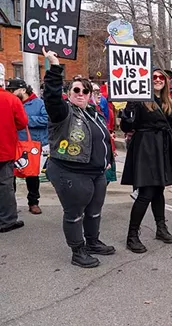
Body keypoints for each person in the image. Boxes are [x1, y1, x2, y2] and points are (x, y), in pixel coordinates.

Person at [43, 49, 115, 268]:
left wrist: (108, 158)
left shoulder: (94, 112)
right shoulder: (63, 112)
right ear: (69, 92)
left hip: (96, 172)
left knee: (94, 211)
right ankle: (77, 251)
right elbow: (52, 97)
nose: (81, 93)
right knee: (74, 214)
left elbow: (103, 138)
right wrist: (55, 66)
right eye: (76, 90)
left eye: (86, 90)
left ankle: (93, 242)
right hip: (70, 171)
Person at [121, 67, 172, 254]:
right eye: (154, 77)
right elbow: (126, 126)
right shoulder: (139, 101)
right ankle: (132, 235)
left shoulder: (168, 103)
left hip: (163, 150)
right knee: (146, 192)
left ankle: (161, 228)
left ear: (166, 81)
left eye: (161, 77)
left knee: (159, 190)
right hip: (146, 150)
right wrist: (129, 108)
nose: (157, 80)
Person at [6, 79, 48, 214]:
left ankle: (33, 202)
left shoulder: (38, 103)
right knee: (9, 176)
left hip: (31, 145)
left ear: (23, 90)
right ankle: (10, 205)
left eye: (13, 90)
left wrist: (25, 120)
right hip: (13, 144)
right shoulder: (11, 102)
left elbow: (47, 119)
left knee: (32, 175)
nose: (11, 92)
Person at [0, 77, 27, 233]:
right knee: (5, 185)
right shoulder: (11, 99)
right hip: (4, 148)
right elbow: (22, 122)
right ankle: (7, 220)